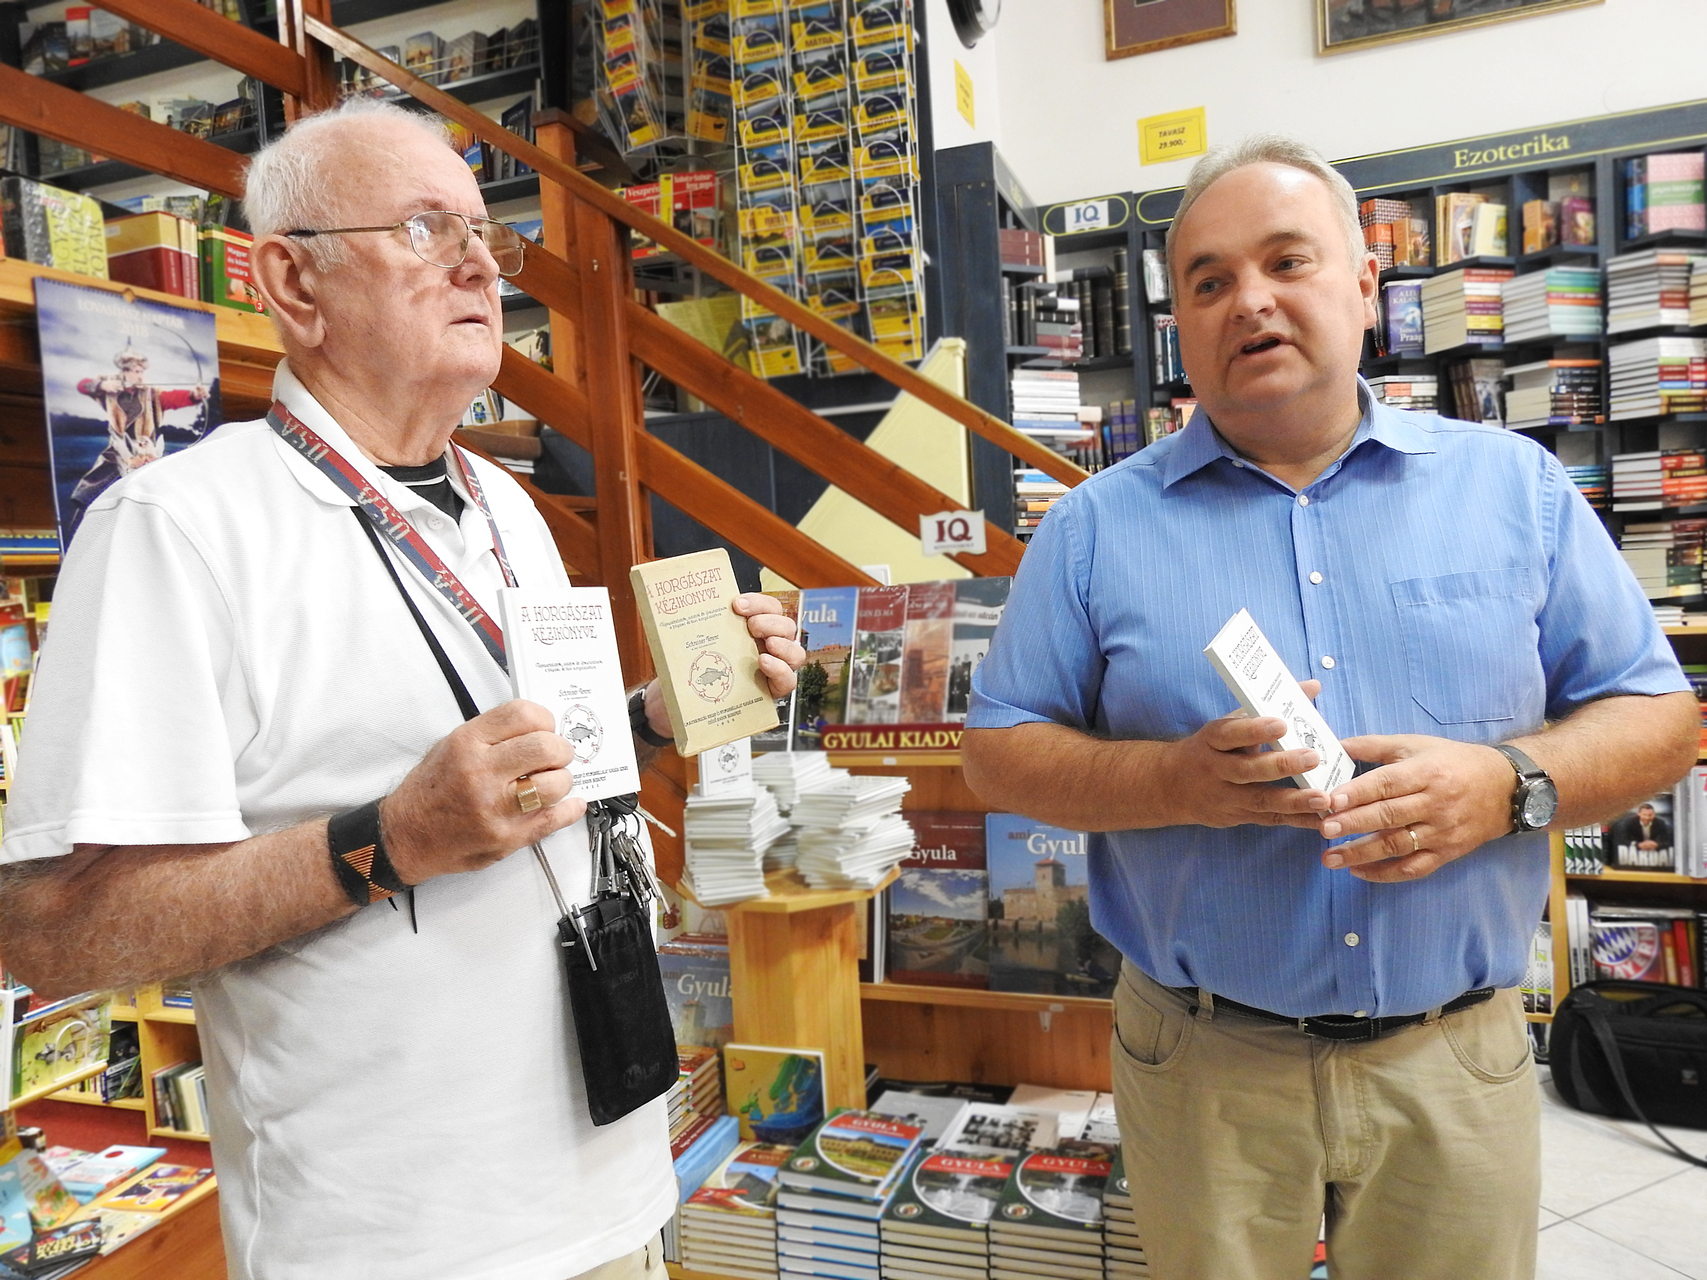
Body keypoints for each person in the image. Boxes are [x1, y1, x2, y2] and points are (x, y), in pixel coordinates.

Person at [0, 98, 804, 1280]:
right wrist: (390, 839)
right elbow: (54, 931)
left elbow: (528, 783)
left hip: (618, 1190)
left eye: (485, 233)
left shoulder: (506, 502)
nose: (481, 263)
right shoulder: (175, 527)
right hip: (398, 1240)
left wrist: (648, 717)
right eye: (428, 229)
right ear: (294, 281)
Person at [960, 134, 1697, 1280]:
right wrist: (1173, 780)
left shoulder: (1516, 488)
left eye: (1286, 260)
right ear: (1179, 321)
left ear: (1363, 283)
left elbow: (1660, 717)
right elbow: (998, 755)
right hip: (1203, 1061)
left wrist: (1505, 783)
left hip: (1453, 1056)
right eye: (1208, 280)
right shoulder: (1093, 527)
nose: (1249, 299)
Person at [68, 344, 209, 536]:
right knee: (88, 492)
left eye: (142, 371)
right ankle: (75, 534)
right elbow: (82, 385)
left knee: (152, 500)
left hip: (146, 453)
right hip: (118, 450)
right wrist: (101, 386)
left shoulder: (150, 393)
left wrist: (193, 396)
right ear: (125, 371)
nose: (141, 376)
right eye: (136, 371)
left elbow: (171, 398)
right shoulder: (110, 386)